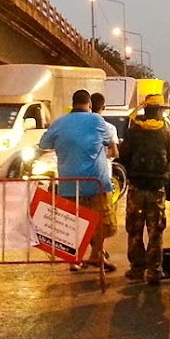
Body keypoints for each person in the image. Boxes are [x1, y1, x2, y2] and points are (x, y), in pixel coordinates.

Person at [37, 89, 116, 273]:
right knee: (102, 223)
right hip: (96, 182)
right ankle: (96, 255)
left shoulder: (59, 122)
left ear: (73, 104)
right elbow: (107, 141)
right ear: (89, 105)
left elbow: (44, 143)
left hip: (69, 184)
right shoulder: (97, 120)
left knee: (72, 224)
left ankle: (74, 260)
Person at [122, 96, 170, 285]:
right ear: (159, 111)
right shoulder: (166, 132)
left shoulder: (133, 131)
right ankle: (154, 271)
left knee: (134, 230)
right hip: (156, 189)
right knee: (155, 231)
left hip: (136, 188)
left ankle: (137, 270)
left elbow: (124, 156)